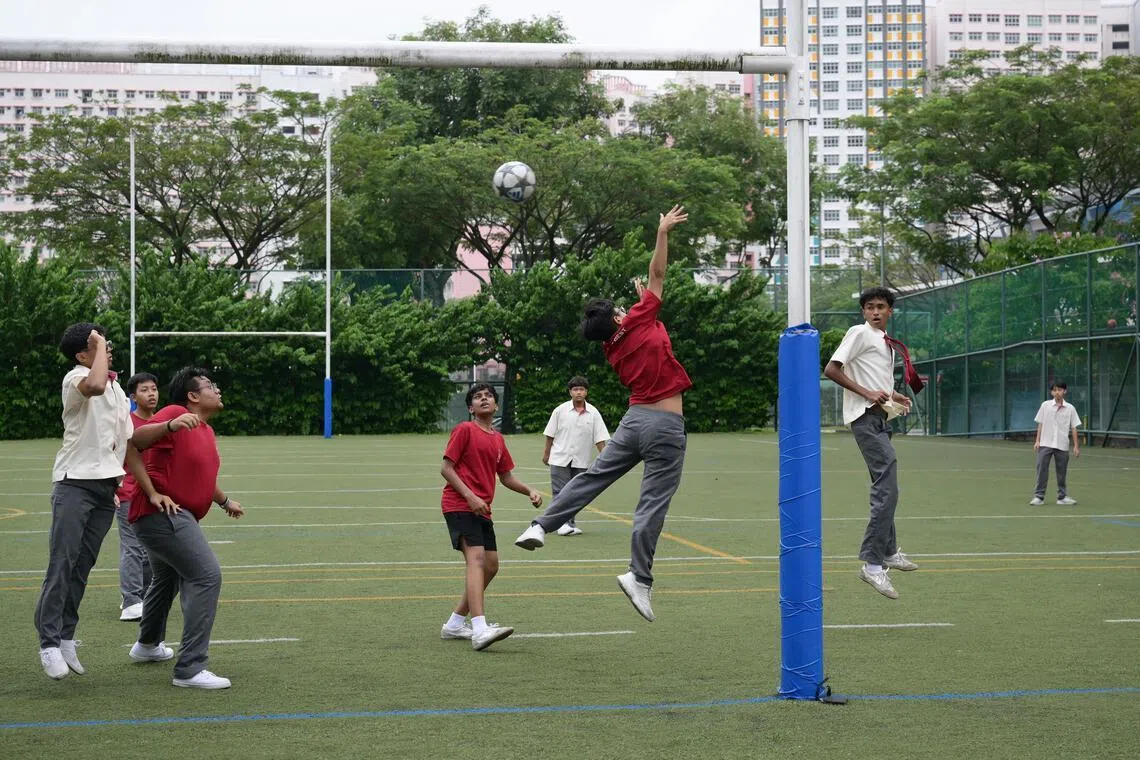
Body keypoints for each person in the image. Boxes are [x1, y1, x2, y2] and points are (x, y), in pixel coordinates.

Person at [515, 205, 692, 623]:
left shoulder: (613, 346)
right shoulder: (639, 317)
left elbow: (644, 318)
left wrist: (636, 303)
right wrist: (662, 232)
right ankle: (639, 577)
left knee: (593, 479)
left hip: (633, 424)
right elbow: (659, 275)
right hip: (665, 426)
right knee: (652, 504)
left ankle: (541, 525)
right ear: (617, 316)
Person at [34, 323, 167, 680]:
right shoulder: (76, 377)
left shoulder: (115, 388)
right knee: (62, 563)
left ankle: (65, 637)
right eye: (99, 345)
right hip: (74, 484)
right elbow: (92, 385)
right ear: (83, 354)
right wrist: (97, 343)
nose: (108, 350)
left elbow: (131, 438)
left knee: (82, 566)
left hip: (104, 488)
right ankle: (47, 642)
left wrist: (171, 426)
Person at [127, 367, 244, 689]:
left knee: (166, 579)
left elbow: (199, 474)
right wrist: (169, 424)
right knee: (206, 575)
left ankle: (147, 645)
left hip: (178, 516)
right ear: (193, 396)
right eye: (210, 386)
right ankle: (190, 668)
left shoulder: (204, 429)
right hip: (160, 514)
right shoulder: (176, 412)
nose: (217, 390)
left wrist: (223, 500)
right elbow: (134, 441)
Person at [823, 287, 918, 601]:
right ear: (863, 311)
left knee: (888, 485)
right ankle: (873, 564)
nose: (875, 312)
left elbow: (876, 381)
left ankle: (888, 551)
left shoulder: (884, 342)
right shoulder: (860, 333)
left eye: (881, 307)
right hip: (864, 417)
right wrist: (868, 394)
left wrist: (893, 396)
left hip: (880, 418)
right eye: (869, 307)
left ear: (890, 311)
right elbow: (831, 369)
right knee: (886, 484)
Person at [439, 383, 542, 651]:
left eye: (488, 396)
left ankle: (454, 623)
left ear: (496, 406)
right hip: (460, 504)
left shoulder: (497, 439)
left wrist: (528, 490)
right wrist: (470, 496)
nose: (483, 399)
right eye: (477, 397)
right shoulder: (465, 430)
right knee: (477, 560)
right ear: (471, 408)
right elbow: (447, 468)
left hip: (482, 509)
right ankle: (480, 628)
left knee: (492, 566)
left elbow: (505, 476)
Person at [114, 372, 160, 622]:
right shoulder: (126, 424)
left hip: (154, 496)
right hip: (129, 493)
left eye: (154, 389)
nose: (151, 393)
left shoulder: (162, 422)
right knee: (132, 547)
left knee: (150, 550)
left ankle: (140, 595)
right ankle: (131, 600)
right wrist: (113, 489)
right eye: (145, 390)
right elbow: (113, 457)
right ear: (133, 396)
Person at [542, 375, 610, 536]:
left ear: (586, 392)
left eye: (581, 389)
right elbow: (550, 434)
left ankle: (570, 523)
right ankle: (561, 524)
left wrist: (606, 458)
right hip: (559, 457)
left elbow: (600, 438)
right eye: (575, 389)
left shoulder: (593, 413)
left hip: (581, 460)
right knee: (560, 492)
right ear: (570, 392)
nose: (578, 392)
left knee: (576, 492)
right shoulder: (560, 410)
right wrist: (546, 454)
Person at [1031, 380, 1081, 506]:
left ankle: (1062, 497)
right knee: (1042, 469)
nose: (1057, 392)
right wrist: (1037, 441)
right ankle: (1039, 497)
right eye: (1054, 390)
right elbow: (1040, 424)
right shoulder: (1045, 405)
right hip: (1045, 443)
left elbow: (1074, 428)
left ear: (1065, 391)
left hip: (1062, 445)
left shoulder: (1070, 408)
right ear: (1051, 392)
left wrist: (1076, 446)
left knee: (1061, 472)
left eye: (1059, 389)